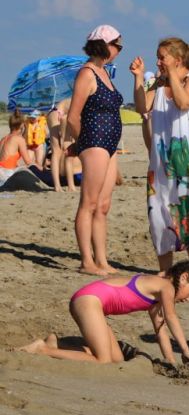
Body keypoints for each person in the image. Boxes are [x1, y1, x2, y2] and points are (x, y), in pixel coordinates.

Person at [132, 37, 189, 273]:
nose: (158, 61)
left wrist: (171, 74)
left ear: (177, 60)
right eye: (157, 57)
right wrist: (139, 77)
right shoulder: (160, 83)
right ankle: (165, 272)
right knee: (159, 213)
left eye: (162, 57)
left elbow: (183, 102)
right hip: (161, 161)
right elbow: (142, 107)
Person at [18, 261, 189, 366]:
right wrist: (186, 351)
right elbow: (172, 318)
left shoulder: (158, 296)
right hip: (89, 301)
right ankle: (43, 349)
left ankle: (57, 343)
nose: (188, 299)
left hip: (93, 305)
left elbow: (161, 330)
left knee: (117, 359)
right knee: (103, 360)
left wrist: (170, 360)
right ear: (183, 278)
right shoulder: (165, 286)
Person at [67, 24, 125, 276]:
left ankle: (101, 260)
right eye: (117, 46)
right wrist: (82, 144)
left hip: (109, 145)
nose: (120, 50)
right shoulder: (87, 73)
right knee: (88, 203)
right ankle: (86, 261)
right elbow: (72, 116)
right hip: (94, 143)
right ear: (105, 45)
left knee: (103, 206)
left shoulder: (104, 72)